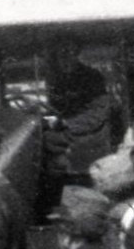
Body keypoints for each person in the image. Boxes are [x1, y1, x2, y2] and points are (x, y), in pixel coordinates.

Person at [46, 40, 114, 179]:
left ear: (76, 54)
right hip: (68, 136)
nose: (64, 58)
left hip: (91, 139)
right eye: (60, 54)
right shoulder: (59, 80)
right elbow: (56, 108)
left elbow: (98, 113)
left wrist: (66, 123)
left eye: (69, 53)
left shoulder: (92, 77)